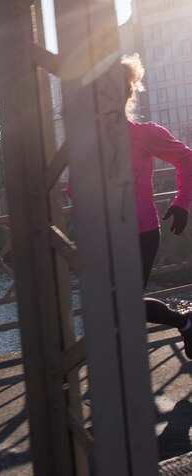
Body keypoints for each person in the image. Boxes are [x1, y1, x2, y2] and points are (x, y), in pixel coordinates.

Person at [121, 53, 192, 358]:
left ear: (127, 93)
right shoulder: (89, 144)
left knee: (125, 304)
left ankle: (183, 322)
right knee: (112, 303)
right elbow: (73, 189)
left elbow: (188, 160)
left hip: (141, 232)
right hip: (102, 234)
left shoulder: (144, 134)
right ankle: (185, 323)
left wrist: (183, 202)